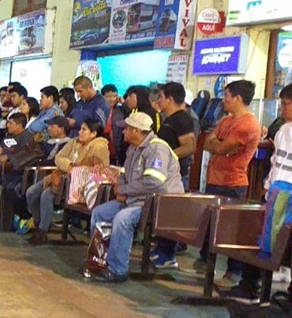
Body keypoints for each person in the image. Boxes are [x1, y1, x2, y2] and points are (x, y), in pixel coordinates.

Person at [88, 112, 183, 283]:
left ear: (136, 131)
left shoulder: (157, 149)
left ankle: (118, 270)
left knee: (122, 219)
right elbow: (124, 174)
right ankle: (99, 259)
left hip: (157, 203)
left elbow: (155, 183)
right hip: (135, 199)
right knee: (99, 213)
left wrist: (125, 190)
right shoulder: (133, 148)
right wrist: (120, 189)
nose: (123, 131)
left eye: (126, 128)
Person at [188, 81, 260, 288]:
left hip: (232, 183)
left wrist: (218, 145)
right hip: (213, 180)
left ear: (237, 98)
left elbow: (220, 148)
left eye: (226, 96)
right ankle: (205, 263)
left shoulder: (248, 124)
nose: (223, 100)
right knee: (209, 224)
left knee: (231, 230)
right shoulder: (226, 120)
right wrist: (218, 144)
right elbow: (207, 142)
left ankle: (233, 271)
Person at [226, 85, 292, 301]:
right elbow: (276, 162)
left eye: (286, 104)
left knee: (281, 243)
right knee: (261, 239)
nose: (282, 109)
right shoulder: (283, 131)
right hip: (276, 193)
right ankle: (249, 287)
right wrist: (268, 184)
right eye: (281, 104)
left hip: (288, 198)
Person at [26, 118, 109, 245]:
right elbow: (58, 158)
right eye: (80, 129)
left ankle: (41, 232)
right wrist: (70, 167)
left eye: (84, 130)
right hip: (60, 178)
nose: (79, 132)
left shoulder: (100, 147)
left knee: (46, 196)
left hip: (79, 186)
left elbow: (101, 171)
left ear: (93, 133)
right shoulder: (73, 142)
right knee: (31, 192)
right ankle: (40, 225)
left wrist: (77, 172)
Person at [147, 82, 198, 269]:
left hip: (175, 176)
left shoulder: (182, 119)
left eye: (161, 97)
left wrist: (168, 157)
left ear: (169, 99)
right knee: (163, 214)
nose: (158, 101)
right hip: (163, 175)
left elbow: (190, 146)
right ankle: (161, 248)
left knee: (171, 215)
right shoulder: (169, 118)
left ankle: (168, 254)